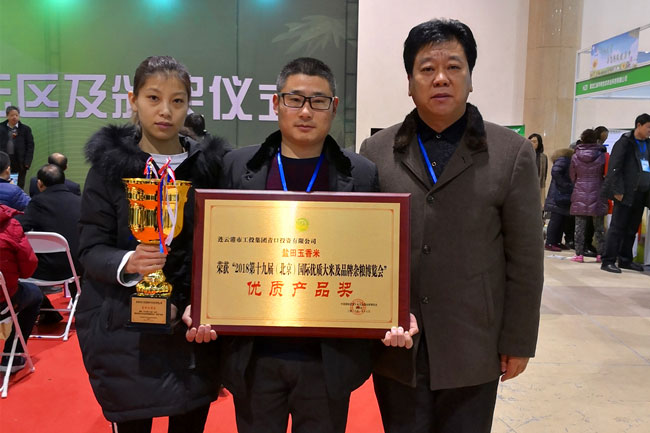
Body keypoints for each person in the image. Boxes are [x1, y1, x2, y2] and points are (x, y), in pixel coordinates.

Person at [183, 57, 416, 433]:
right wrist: (203, 299)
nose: (306, 111)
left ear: (333, 108)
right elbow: (213, 249)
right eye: (295, 99)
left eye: (318, 101)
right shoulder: (237, 166)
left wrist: (390, 310)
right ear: (276, 103)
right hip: (255, 356)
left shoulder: (360, 173)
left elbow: (373, 254)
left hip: (328, 359)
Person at [359, 19, 544, 433]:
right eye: (427, 68)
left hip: (473, 346)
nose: (440, 78)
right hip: (397, 346)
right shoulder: (377, 151)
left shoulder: (511, 153)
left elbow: (526, 259)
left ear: (471, 78)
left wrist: (518, 341)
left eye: (454, 67)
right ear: (410, 83)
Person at [76, 56, 228, 432]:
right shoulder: (108, 169)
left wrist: (203, 303)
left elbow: (222, 249)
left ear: (188, 105)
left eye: (177, 101)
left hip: (192, 334)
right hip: (126, 336)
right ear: (134, 100)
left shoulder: (211, 169)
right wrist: (129, 261)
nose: (165, 111)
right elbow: (90, 249)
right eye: (153, 98)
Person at [17, 164, 83, 324]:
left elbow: (20, 227)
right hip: (78, 267)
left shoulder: (38, 203)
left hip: (47, 270)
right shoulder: (81, 202)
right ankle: (81, 309)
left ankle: (46, 311)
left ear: (40, 183)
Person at [600, 113, 650, 273]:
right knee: (617, 228)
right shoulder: (625, 143)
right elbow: (614, 167)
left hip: (641, 194)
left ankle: (625, 259)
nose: (649, 130)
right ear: (639, 125)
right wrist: (617, 190)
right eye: (648, 127)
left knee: (631, 229)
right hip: (625, 193)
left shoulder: (648, 144)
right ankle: (608, 260)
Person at [0, 204, 43, 373]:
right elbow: (28, 269)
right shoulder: (11, 226)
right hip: (3, 302)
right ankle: (13, 356)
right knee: (35, 295)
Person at [569, 129, 608, 263]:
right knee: (599, 227)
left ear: (583, 139)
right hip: (597, 191)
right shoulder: (602, 155)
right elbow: (605, 174)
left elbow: (572, 176)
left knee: (579, 227)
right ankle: (600, 254)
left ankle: (579, 255)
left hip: (579, 190)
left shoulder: (575, 156)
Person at [544, 148, 575, 251]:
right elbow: (556, 172)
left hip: (561, 195)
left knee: (561, 220)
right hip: (558, 196)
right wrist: (566, 185)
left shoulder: (565, 160)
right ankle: (549, 242)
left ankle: (556, 241)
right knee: (556, 220)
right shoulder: (564, 160)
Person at [0, 106, 34, 189]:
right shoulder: (1, 127)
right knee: (3, 185)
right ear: (7, 116)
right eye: (12, 115)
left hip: (20, 162)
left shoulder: (25, 129)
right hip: (3, 161)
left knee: (19, 185)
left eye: (16, 115)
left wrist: (27, 162)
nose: (14, 117)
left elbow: (30, 146)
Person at [528, 133, 548, 204]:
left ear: (539, 143)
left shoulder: (543, 157)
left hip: (539, 185)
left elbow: (544, 174)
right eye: (530, 141)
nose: (531, 143)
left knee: (538, 205)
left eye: (534, 142)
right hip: (526, 185)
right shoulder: (525, 155)